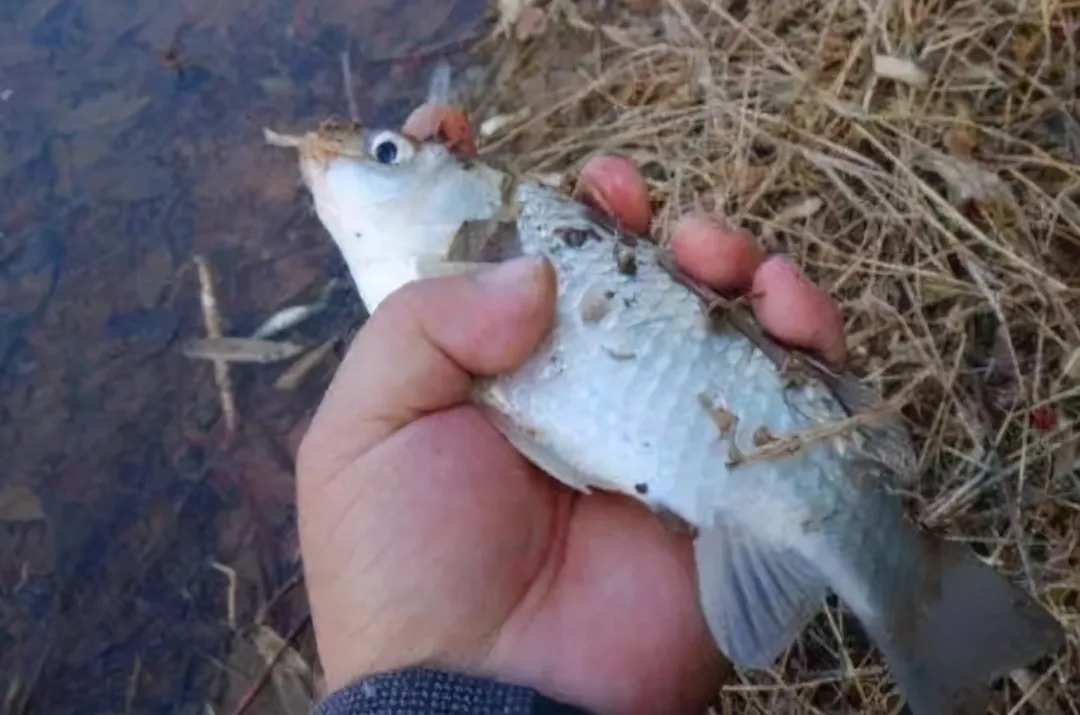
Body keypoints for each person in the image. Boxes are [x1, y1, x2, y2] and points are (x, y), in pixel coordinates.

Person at [296, 101, 847, 715]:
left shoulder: (468, 268)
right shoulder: (444, 291)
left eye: (387, 155)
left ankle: (873, 543)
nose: (344, 161)